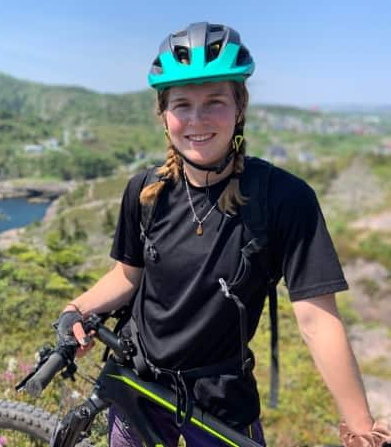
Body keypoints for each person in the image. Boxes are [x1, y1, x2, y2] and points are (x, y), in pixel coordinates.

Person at [56, 22, 391, 447]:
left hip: (222, 402)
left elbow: (317, 319)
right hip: (139, 386)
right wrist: (76, 308)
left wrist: (363, 431)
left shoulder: (283, 198)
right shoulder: (145, 192)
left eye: (214, 101)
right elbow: (127, 276)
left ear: (240, 107)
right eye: (182, 104)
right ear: (164, 115)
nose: (197, 120)